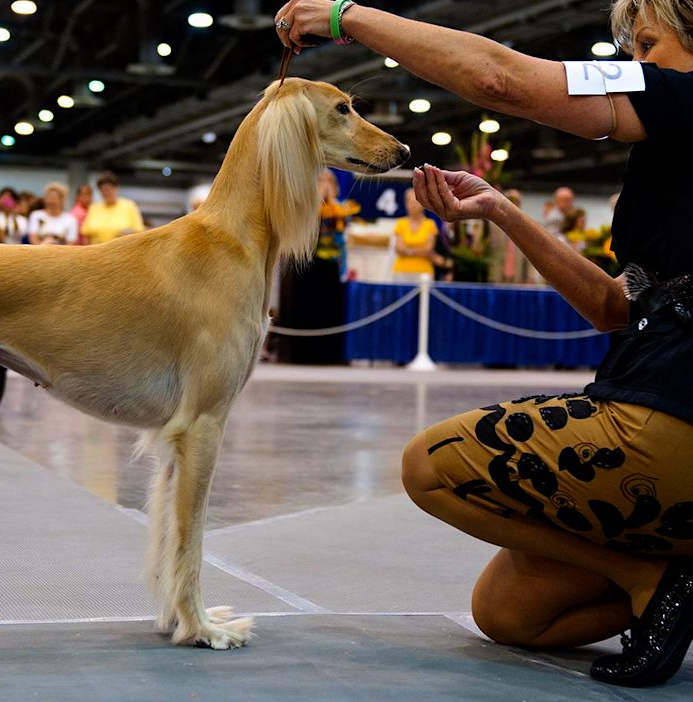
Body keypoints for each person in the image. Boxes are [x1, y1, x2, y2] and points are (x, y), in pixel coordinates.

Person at [277, 0, 693, 687]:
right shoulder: (668, 163)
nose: (635, 64)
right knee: (510, 615)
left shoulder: (679, 97)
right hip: (657, 395)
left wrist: (348, 16)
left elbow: (499, 78)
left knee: (430, 464)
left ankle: (650, 573)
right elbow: (612, 307)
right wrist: (501, 210)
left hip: (673, 409)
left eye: (649, 45)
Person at [80, 173, 144, 245]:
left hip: (121, 250)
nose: (106, 193)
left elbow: (140, 231)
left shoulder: (129, 206)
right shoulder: (94, 208)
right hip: (97, 252)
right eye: (102, 190)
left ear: (116, 188)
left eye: (108, 189)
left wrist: (129, 232)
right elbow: (86, 234)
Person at [391, 189, 437, 282]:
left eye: (416, 202)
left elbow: (428, 250)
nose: (412, 205)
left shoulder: (430, 224)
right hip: (401, 270)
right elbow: (398, 249)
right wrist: (419, 250)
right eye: (409, 202)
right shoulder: (400, 223)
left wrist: (408, 251)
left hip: (424, 271)